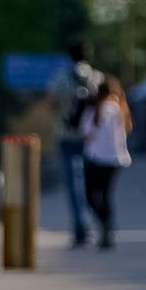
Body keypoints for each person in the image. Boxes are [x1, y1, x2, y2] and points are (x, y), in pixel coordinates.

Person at [77, 73, 133, 249]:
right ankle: (107, 226)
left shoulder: (94, 110)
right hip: (115, 159)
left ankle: (105, 223)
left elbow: (85, 133)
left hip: (95, 158)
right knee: (106, 195)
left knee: (91, 194)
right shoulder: (121, 110)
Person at [56, 41, 101, 248]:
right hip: (91, 139)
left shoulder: (62, 78)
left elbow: (50, 101)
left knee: (73, 185)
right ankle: (94, 224)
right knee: (91, 184)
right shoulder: (97, 78)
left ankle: (80, 228)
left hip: (67, 137)